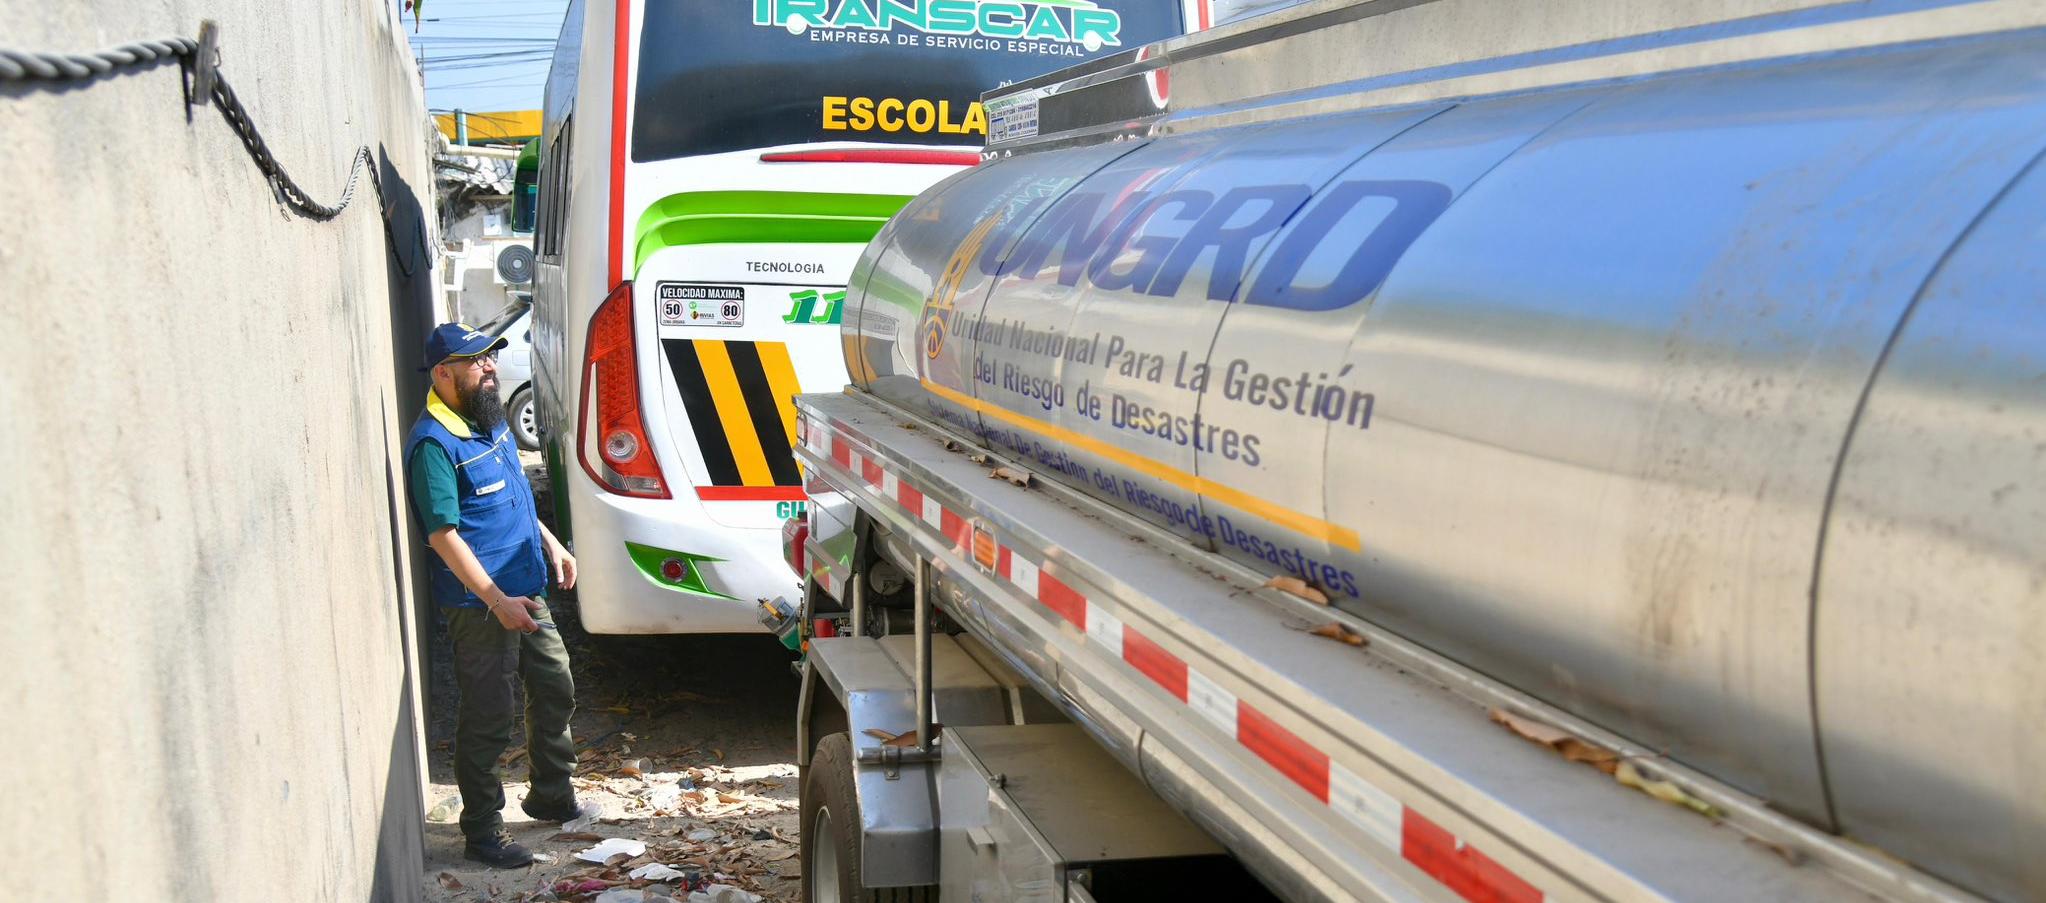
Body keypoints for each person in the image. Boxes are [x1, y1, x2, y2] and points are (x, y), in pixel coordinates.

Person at [405, 323, 591, 868]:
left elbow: (513, 496)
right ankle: (482, 831)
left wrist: (551, 542)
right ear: (444, 373)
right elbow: (443, 535)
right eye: (475, 361)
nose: (488, 367)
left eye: (489, 357)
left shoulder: (488, 418)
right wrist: (494, 600)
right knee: (489, 715)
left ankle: (551, 795)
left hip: (527, 589)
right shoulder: (434, 444)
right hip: (481, 608)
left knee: (556, 686)